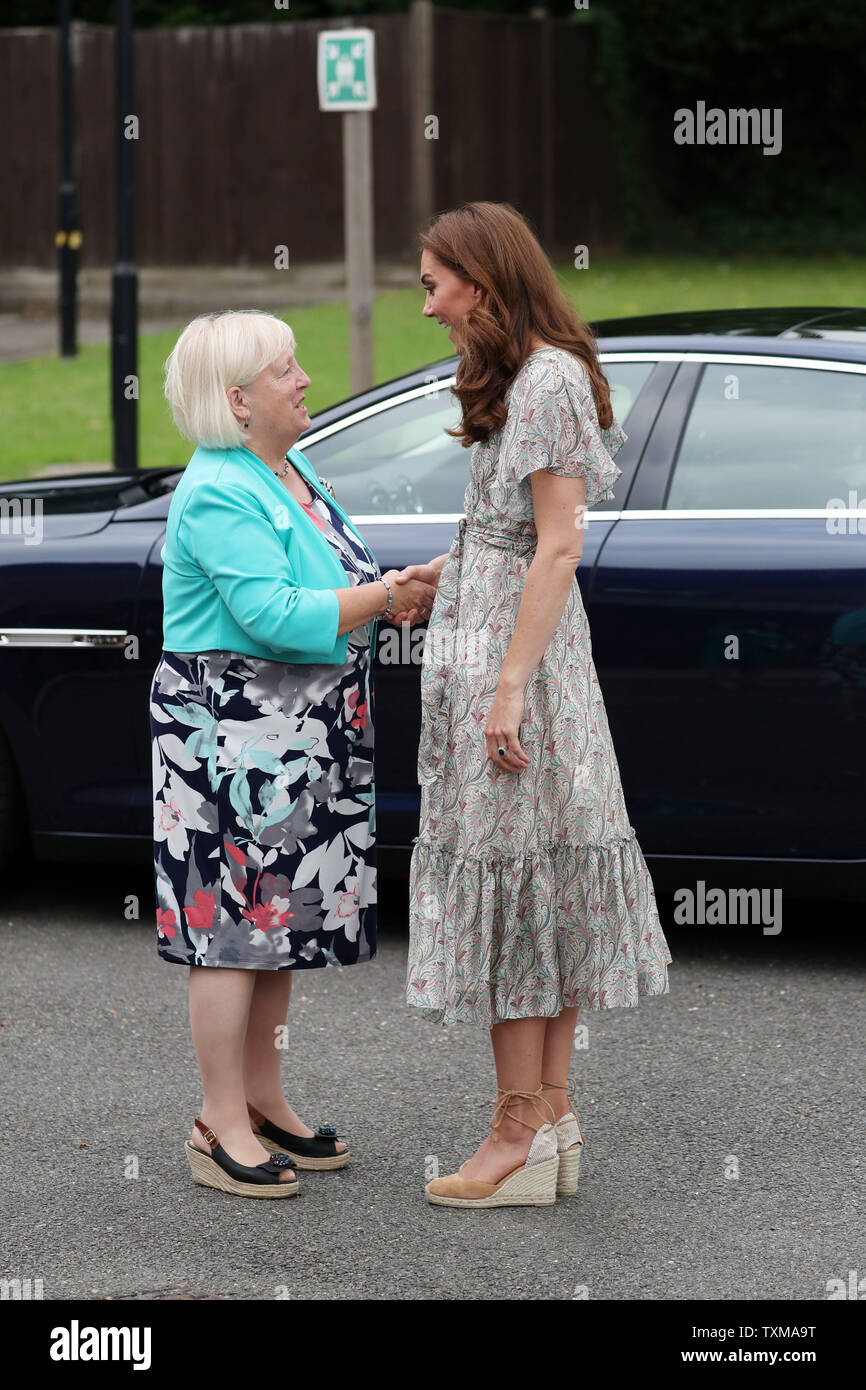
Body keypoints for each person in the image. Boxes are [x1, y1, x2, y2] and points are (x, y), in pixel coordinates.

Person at [395, 202, 673, 1209]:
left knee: (518, 880)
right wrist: (450, 566)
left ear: (479, 277)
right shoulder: (526, 373)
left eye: (434, 283)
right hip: (497, 638)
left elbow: (557, 542)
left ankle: (515, 1130)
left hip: (522, 665)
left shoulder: (548, 377)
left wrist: (507, 685)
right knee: (537, 878)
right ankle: (548, 1113)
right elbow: (515, 528)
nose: (425, 304)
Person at [151, 310, 435, 1199]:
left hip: (301, 731)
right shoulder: (219, 489)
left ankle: (264, 1102)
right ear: (237, 401)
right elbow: (273, 616)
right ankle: (215, 1121)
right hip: (233, 740)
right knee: (229, 936)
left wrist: (388, 598)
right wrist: (383, 593)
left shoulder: (286, 467)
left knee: (275, 929)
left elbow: (321, 585)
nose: (305, 379)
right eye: (285, 370)